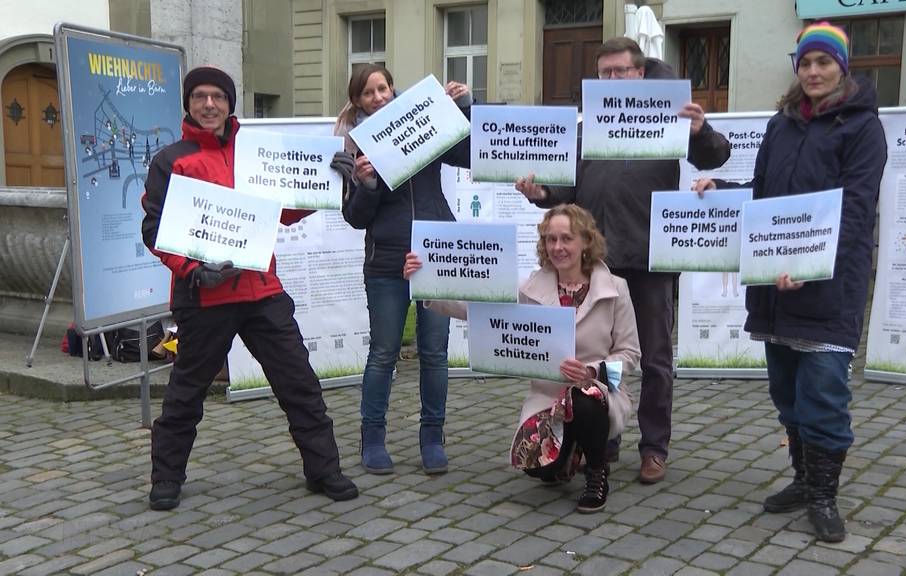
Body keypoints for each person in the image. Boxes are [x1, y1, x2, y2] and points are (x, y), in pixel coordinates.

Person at [694, 22, 886, 542]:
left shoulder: (862, 126)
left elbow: (857, 210)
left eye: (824, 62)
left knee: (823, 394)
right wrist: (724, 187)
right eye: (805, 63)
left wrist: (807, 267)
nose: (813, 71)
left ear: (842, 67)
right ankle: (803, 480)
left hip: (826, 288)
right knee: (786, 393)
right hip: (774, 287)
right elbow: (765, 190)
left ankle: (824, 496)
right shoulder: (782, 124)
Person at [515, 37, 731, 484]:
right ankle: (605, 435)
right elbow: (565, 188)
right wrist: (542, 195)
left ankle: (653, 447)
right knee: (598, 356)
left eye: (620, 71)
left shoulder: (668, 117)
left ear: (640, 74)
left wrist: (699, 131)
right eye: (605, 72)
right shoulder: (588, 127)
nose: (612, 79)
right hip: (598, 264)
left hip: (650, 260)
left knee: (653, 359)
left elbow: (716, 155)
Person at [141, 66, 358, 510]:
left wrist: (328, 181)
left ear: (229, 103)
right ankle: (166, 478)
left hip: (262, 291)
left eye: (217, 97)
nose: (208, 105)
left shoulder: (254, 153)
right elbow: (155, 228)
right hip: (203, 296)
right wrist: (192, 271)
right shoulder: (171, 159)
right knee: (186, 392)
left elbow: (285, 211)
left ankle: (324, 469)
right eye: (199, 96)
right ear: (188, 103)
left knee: (299, 384)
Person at [404, 204, 640, 512]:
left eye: (566, 238)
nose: (558, 247)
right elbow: (474, 307)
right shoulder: (530, 288)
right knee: (538, 469)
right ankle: (567, 454)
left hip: (599, 394)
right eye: (550, 239)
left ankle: (597, 472)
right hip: (547, 399)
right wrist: (425, 283)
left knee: (585, 395)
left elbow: (631, 356)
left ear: (585, 241)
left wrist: (591, 371)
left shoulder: (616, 289)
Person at [331, 64, 473, 475]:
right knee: (383, 353)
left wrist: (464, 105)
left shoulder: (423, 122)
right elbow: (355, 218)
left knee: (434, 352)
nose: (378, 97)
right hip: (387, 261)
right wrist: (367, 185)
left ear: (393, 90)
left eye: (383, 88)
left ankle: (433, 436)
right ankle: (372, 438)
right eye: (369, 92)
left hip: (437, 255)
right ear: (358, 101)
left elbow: (467, 152)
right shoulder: (352, 147)